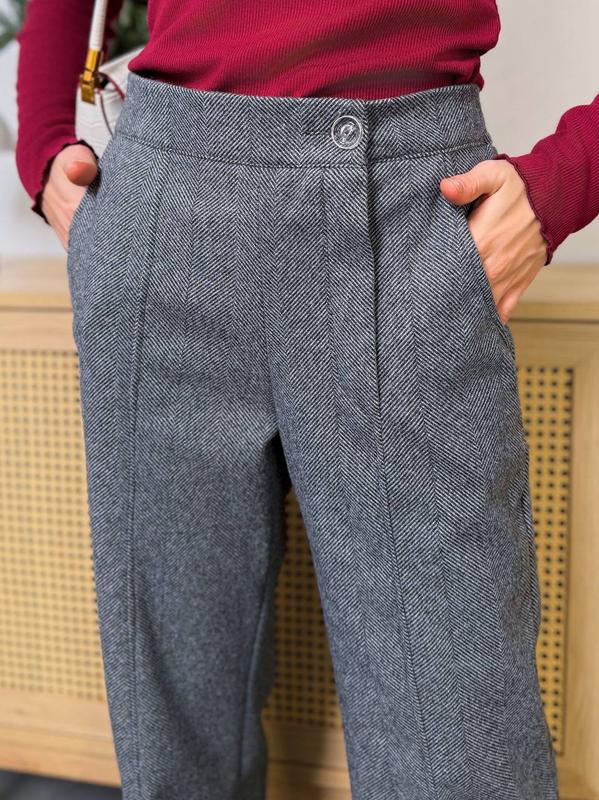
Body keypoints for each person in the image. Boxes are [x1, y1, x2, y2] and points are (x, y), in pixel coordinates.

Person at [14, 2, 599, 799]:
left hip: (405, 213)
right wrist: (44, 145)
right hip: (162, 209)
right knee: (174, 753)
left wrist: (567, 177)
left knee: (463, 761)